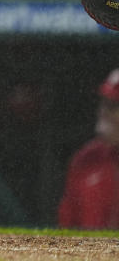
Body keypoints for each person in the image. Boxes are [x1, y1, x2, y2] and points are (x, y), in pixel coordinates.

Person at [58, 68, 119, 228]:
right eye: (104, 103)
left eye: (114, 105)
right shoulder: (85, 159)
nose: (104, 112)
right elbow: (67, 227)